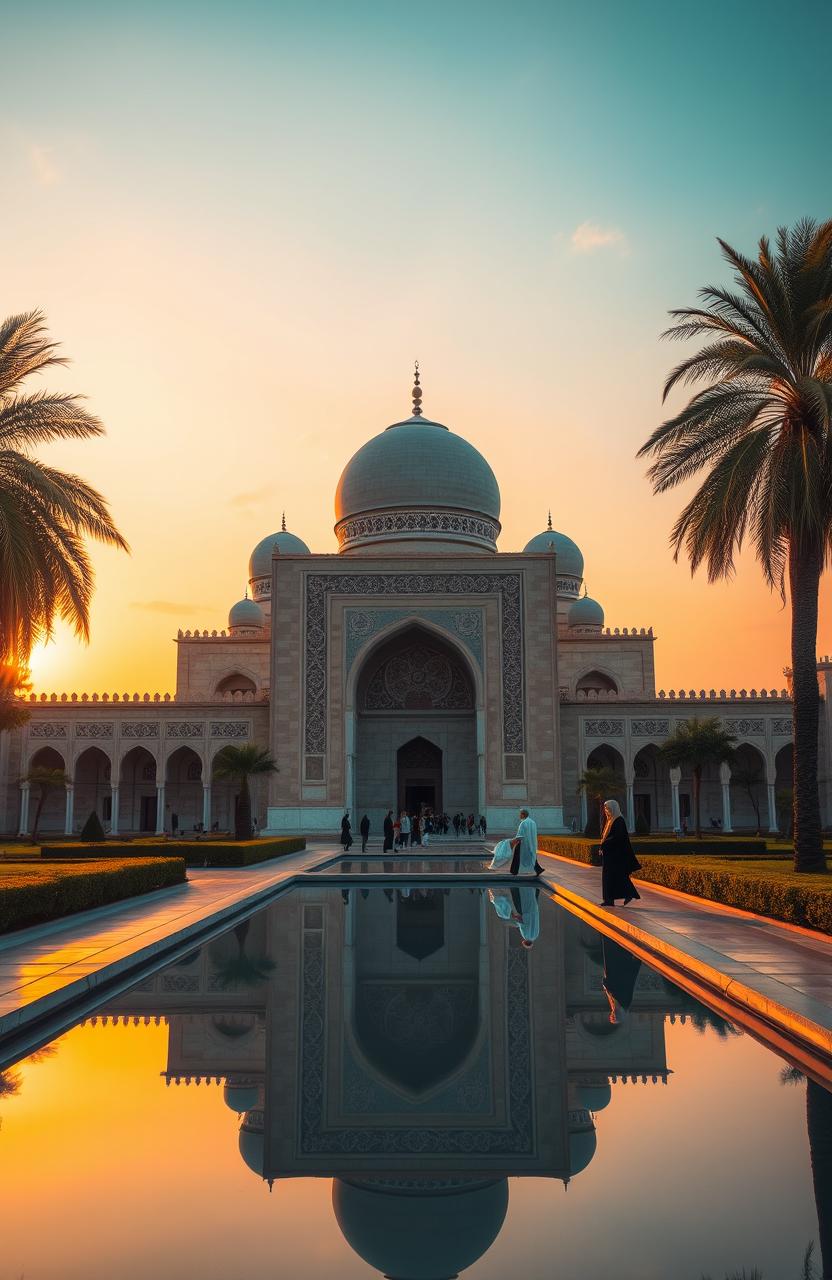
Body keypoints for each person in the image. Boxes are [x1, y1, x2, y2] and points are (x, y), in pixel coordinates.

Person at [597, 798, 641, 906]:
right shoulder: (611, 820)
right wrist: (604, 845)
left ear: (613, 808)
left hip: (616, 855)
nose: (606, 811)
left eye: (607, 808)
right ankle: (609, 900)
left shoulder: (618, 820)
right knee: (612, 877)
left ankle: (622, 896)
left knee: (616, 876)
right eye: (605, 808)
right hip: (610, 854)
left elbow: (618, 837)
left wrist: (605, 844)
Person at [508, 807, 544, 876]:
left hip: (523, 843)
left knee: (517, 854)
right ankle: (538, 869)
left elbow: (520, 835)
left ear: (523, 815)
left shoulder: (523, 823)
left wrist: (513, 840)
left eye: (520, 814)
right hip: (530, 843)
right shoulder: (532, 822)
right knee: (531, 855)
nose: (519, 816)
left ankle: (514, 871)